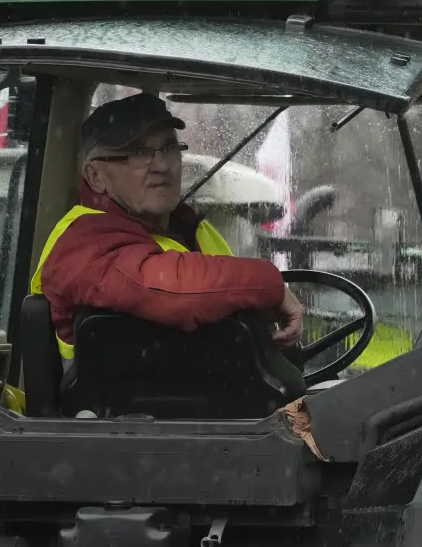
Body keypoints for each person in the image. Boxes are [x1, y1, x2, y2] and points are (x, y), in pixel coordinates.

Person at [30, 92, 304, 368]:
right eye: (139, 153)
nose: (162, 166)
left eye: (169, 148)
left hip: (218, 402)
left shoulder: (194, 230)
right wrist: (270, 285)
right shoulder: (80, 239)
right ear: (95, 176)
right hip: (106, 410)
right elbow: (175, 293)